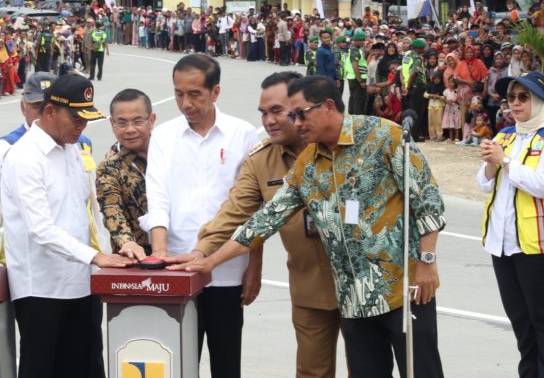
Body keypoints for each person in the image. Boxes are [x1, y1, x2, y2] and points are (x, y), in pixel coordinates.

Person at [170, 75, 446, 378]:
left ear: (328, 106)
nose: (295, 122)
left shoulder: (384, 136)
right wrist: (209, 260)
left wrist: (427, 261)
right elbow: (265, 219)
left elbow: (427, 201)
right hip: (352, 298)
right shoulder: (308, 165)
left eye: (300, 113)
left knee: (421, 372)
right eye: (292, 115)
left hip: (402, 288)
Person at [169, 71, 342, 377]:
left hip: (360, 279)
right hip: (309, 285)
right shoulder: (261, 161)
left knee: (371, 366)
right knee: (313, 372)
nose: (268, 121)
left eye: (277, 111)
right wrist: (201, 252)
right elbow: (234, 213)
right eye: (263, 113)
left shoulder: (345, 147)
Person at [1, 73, 133, 378]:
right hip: (42, 288)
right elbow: (41, 229)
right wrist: (96, 257)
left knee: (85, 366)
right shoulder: (24, 157)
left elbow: (89, 211)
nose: (81, 126)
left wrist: (114, 248)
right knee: (43, 368)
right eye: (75, 118)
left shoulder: (73, 149)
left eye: (86, 120)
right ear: (49, 111)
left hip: (82, 281)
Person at [142, 54, 259, 378]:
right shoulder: (164, 136)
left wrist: (254, 266)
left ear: (215, 92)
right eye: (179, 93)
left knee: (226, 360)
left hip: (227, 268)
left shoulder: (243, 134)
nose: (185, 102)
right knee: (177, 360)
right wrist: (161, 254)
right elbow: (158, 196)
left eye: (195, 94)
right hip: (178, 267)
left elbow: (255, 208)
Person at [477, 71, 544, 378]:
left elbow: (539, 184)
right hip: (501, 245)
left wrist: (505, 161)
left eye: (523, 97)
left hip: (535, 247)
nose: (515, 104)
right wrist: (491, 164)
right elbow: (483, 184)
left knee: (540, 320)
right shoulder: (505, 134)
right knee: (520, 321)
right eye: (511, 98)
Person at [96, 88, 156, 256]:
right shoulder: (109, 167)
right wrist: (127, 241)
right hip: (136, 257)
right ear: (112, 124)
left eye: (138, 121)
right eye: (121, 123)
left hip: (180, 250)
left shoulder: (170, 152)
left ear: (151, 120)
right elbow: (111, 209)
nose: (130, 129)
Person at [0, 71, 56, 186]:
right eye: (37, 106)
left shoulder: (77, 143)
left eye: (52, 107)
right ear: (23, 107)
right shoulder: (7, 146)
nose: (45, 113)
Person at [345, 29, 368, 114]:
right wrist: (360, 80)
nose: (363, 42)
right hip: (356, 79)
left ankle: (351, 118)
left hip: (353, 78)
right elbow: (355, 66)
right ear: (355, 41)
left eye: (363, 40)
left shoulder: (355, 49)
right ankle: (357, 121)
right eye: (361, 40)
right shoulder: (355, 50)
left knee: (353, 98)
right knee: (358, 101)